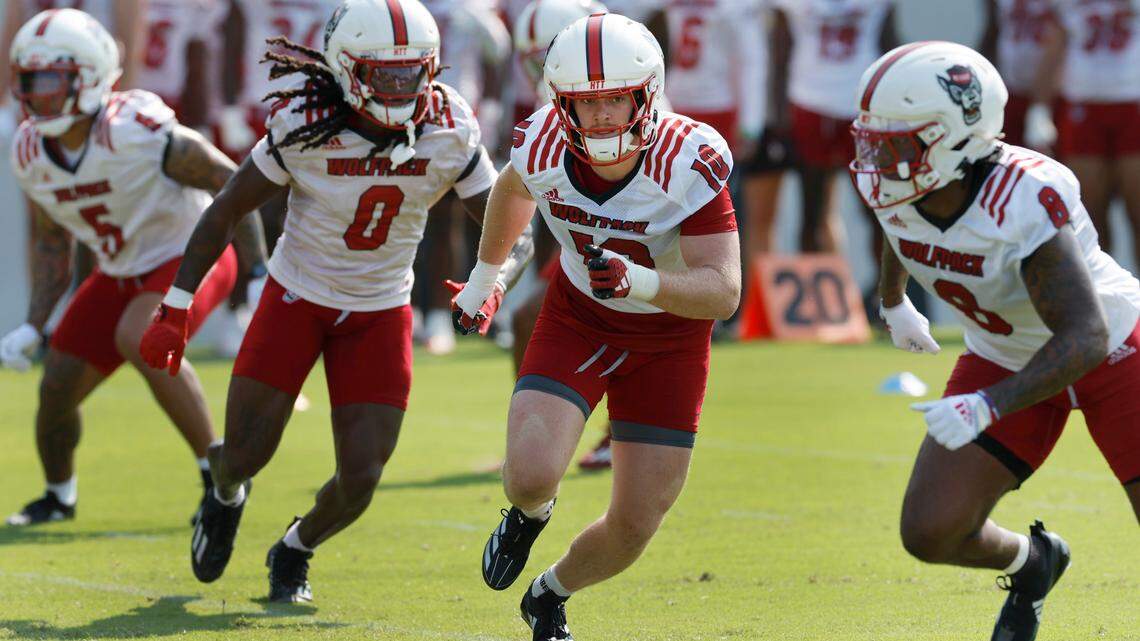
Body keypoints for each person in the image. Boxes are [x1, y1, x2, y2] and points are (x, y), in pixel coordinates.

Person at [138, 0, 530, 604]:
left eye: (414, 72)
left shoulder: (449, 126)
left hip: (381, 308)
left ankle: (294, 548)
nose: (403, 88)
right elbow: (227, 209)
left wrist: (492, 280)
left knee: (362, 478)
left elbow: (511, 222)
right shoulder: (306, 121)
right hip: (299, 297)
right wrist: (177, 303)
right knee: (242, 456)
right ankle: (223, 493)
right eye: (386, 75)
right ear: (347, 70)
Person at [451, 13, 740, 639]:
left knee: (636, 524)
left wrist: (643, 283)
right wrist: (484, 277)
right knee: (528, 475)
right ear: (562, 104)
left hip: (671, 341)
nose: (604, 116)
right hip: (579, 318)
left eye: (616, 99)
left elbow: (723, 292)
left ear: (647, 94)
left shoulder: (688, 157)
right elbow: (512, 190)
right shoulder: (543, 144)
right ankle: (532, 514)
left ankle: (550, 592)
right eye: (587, 103)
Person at [852, 41, 1140, 641]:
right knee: (931, 530)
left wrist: (988, 404)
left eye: (896, 142)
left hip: (1113, 352)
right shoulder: (903, 181)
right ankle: (1035, 563)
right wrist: (893, 300)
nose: (878, 159)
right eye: (873, 140)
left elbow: (1083, 335)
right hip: (1003, 352)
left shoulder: (1023, 197)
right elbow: (897, 224)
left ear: (958, 135)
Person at [1, 8, 264, 526]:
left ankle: (221, 479)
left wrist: (258, 275)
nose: (38, 94)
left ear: (90, 76)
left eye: (52, 79)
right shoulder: (31, 150)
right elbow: (52, 244)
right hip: (120, 269)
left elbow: (235, 187)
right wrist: (35, 322)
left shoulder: (137, 132)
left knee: (141, 336)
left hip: (190, 255)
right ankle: (59, 496)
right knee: (56, 386)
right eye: (30, 81)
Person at [509, 0, 615, 470]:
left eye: (546, 54)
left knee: (626, 330)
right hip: (593, 232)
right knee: (525, 319)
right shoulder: (561, 93)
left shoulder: (615, 88)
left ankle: (619, 434)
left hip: (632, 233)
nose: (541, 68)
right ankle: (534, 439)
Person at [771, 0, 898, 253]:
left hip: (864, 106)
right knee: (812, 211)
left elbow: (889, 45)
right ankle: (814, 290)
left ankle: (886, 290)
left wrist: (895, 110)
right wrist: (778, 115)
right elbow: (780, 51)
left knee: (878, 210)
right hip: (810, 100)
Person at [1034, 0, 1140, 258]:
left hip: (1133, 101)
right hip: (1083, 105)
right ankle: (1104, 296)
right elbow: (1054, 47)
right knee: (1089, 218)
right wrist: (1039, 109)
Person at [977, 0, 1056, 150]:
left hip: (1053, 94)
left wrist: (1041, 105)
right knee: (1004, 155)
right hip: (1009, 90)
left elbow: (1063, 41)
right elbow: (993, 29)